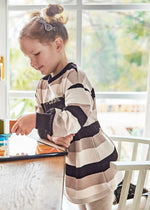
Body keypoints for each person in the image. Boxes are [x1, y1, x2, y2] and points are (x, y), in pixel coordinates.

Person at [12, 4, 121, 210]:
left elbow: (72, 120)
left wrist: (36, 119)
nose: (32, 63)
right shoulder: (42, 87)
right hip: (76, 169)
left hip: (96, 166)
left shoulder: (75, 79)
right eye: (28, 57)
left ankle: (128, 189)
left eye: (36, 54)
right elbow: (44, 129)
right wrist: (52, 136)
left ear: (58, 45)